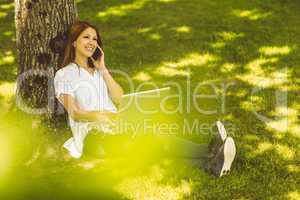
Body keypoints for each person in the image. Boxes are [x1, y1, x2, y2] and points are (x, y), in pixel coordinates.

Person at [54, 21, 236, 177]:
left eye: (95, 39)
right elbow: (75, 113)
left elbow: (120, 98)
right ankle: (210, 150)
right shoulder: (64, 75)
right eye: (86, 37)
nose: (92, 42)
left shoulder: (97, 71)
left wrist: (103, 68)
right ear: (74, 42)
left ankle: (212, 165)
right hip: (93, 138)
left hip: (116, 127)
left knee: (152, 143)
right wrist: (101, 115)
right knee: (152, 141)